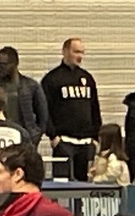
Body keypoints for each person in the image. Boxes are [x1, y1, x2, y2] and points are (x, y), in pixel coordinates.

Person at [42, 38, 101, 181]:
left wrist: (95, 137)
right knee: (62, 183)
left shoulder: (87, 78)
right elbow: (44, 110)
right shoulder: (52, 79)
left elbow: (94, 107)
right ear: (65, 52)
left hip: (86, 143)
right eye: (76, 52)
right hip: (64, 142)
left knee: (84, 184)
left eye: (82, 52)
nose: (80, 56)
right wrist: (53, 135)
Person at [0, 46, 48, 147]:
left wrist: (35, 136)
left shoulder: (31, 85)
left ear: (15, 64)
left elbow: (43, 115)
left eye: (3, 65)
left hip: (25, 139)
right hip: (0, 137)